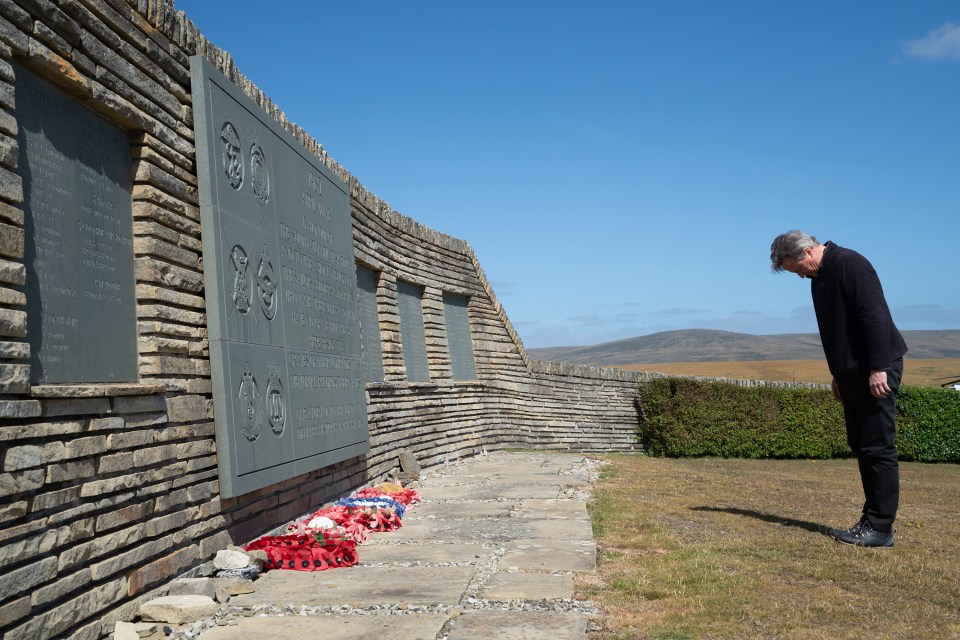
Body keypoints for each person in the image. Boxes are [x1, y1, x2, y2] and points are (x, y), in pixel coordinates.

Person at [770, 230, 907, 548]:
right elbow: (836, 333)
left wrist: (878, 368)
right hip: (852, 373)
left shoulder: (850, 264)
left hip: (875, 369)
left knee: (878, 447)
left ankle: (881, 528)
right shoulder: (821, 277)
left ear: (806, 251)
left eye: (798, 269)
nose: (801, 277)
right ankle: (870, 522)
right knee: (861, 445)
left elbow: (873, 316)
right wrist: (838, 374)